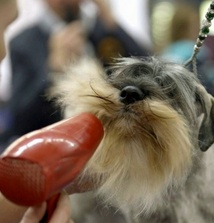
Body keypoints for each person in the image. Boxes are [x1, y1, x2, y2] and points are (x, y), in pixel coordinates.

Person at [0, 0, 93, 223]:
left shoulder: (96, 31)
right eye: (2, 26)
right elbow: (19, 116)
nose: (2, 53)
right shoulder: (25, 43)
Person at [0, 0, 148, 148]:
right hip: (54, 149)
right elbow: (20, 119)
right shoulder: (24, 43)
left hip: (111, 143)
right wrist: (53, 69)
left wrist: (111, 22)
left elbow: (147, 70)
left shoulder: (102, 29)